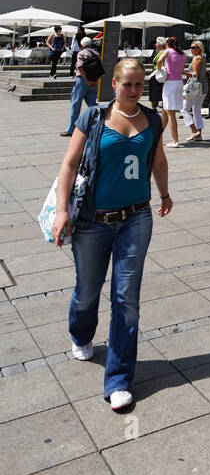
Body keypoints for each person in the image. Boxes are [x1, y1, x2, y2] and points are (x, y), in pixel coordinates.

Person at [52, 57, 171, 412]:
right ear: (114, 84)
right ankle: (81, 333)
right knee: (88, 292)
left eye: (139, 85)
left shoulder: (152, 119)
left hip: (136, 218)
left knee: (126, 298)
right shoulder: (95, 117)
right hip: (92, 221)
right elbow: (70, 163)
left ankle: (118, 378)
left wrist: (164, 193)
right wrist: (61, 211)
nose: (134, 91)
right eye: (127, 84)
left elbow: (159, 160)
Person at [61, 37, 101, 137]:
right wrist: (95, 81)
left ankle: (71, 129)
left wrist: (86, 80)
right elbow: (100, 69)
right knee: (93, 104)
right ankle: (99, 124)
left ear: (82, 45)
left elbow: (79, 66)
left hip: (82, 81)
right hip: (94, 81)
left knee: (75, 104)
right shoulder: (96, 54)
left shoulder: (81, 53)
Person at [159, 35, 186, 148]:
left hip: (170, 83)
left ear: (168, 44)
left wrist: (159, 70)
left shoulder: (168, 51)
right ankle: (157, 136)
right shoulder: (182, 54)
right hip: (179, 82)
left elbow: (159, 60)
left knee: (170, 113)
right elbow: (182, 69)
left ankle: (175, 140)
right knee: (166, 111)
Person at [181, 41, 208, 142]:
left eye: (194, 47)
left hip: (195, 88)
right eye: (191, 47)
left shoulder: (197, 58)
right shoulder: (203, 58)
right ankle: (199, 135)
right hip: (203, 87)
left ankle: (194, 130)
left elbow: (195, 75)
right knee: (196, 110)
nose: (191, 49)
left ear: (199, 49)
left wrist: (183, 72)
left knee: (183, 109)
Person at [148, 37, 167, 112]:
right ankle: (155, 107)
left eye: (156, 43)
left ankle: (155, 108)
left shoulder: (164, 52)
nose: (155, 45)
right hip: (157, 72)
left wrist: (159, 69)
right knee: (155, 91)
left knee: (157, 91)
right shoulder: (159, 51)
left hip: (160, 73)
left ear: (160, 44)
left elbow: (160, 62)